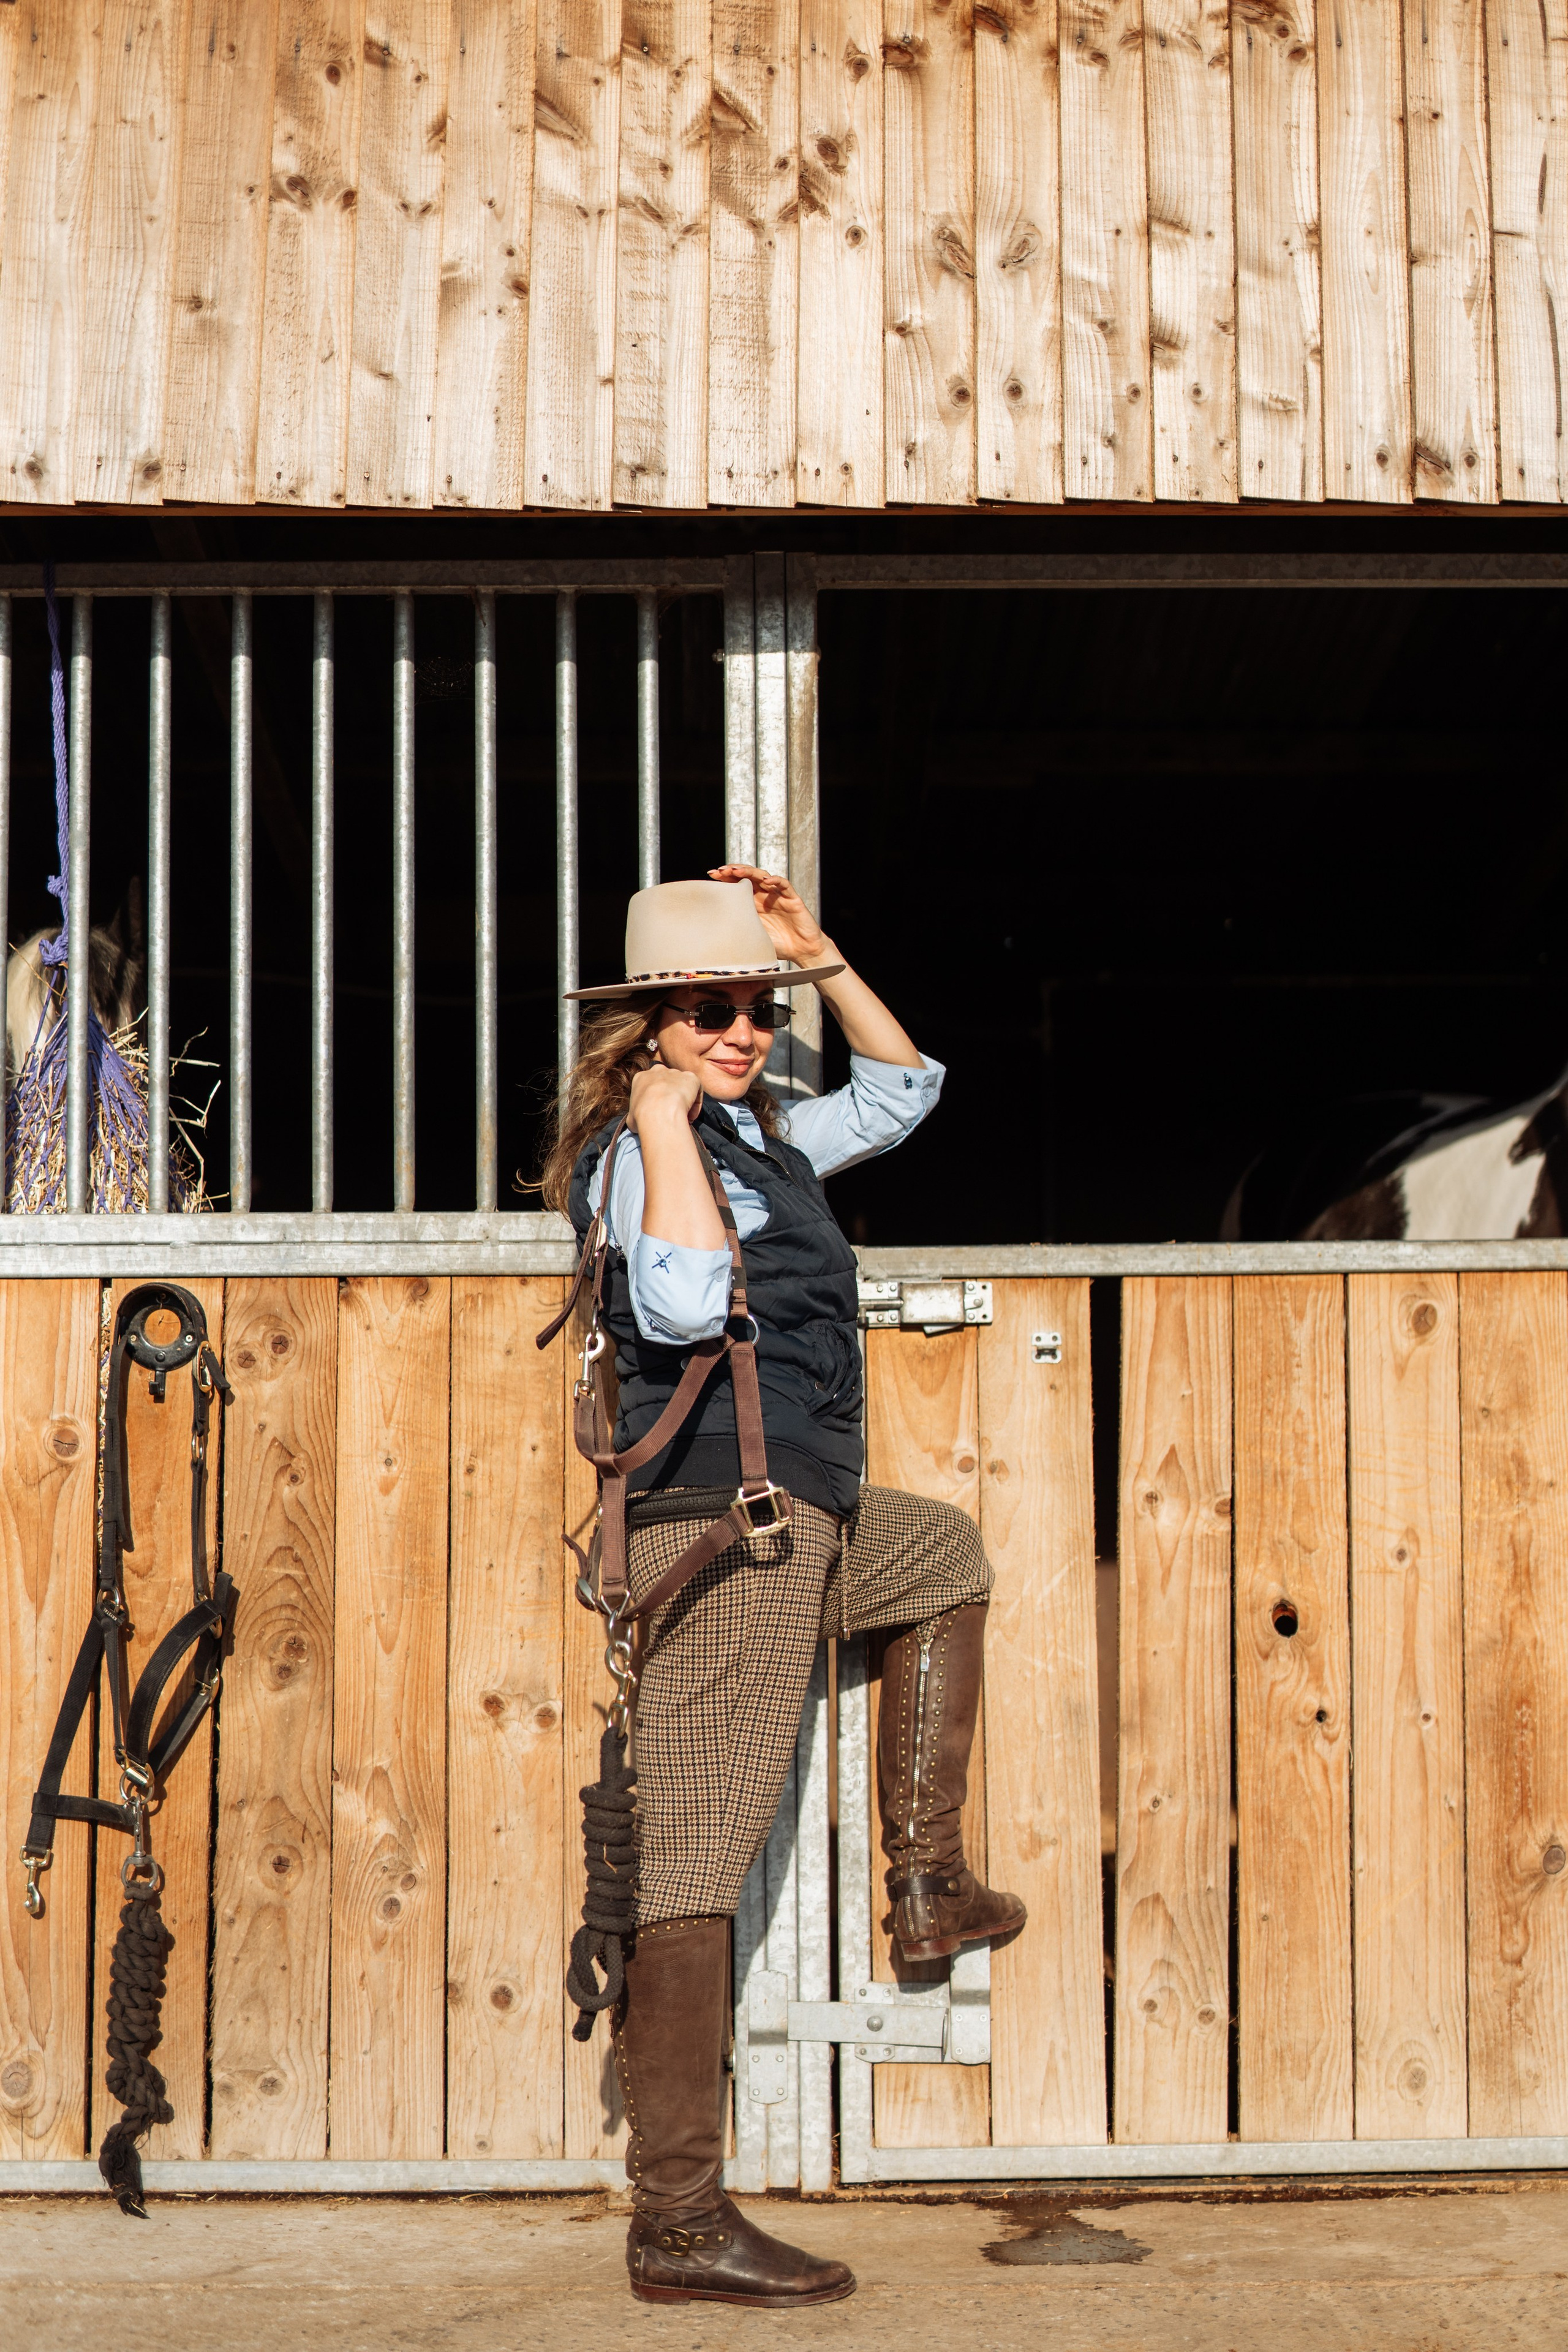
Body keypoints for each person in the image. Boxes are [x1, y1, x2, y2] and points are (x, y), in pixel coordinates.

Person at [541, 868, 1025, 2309]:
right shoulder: (640, 1155)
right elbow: (685, 1304)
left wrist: (822, 959)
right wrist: (652, 1115)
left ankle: (925, 1885)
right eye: (710, 1010)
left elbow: (905, 1090)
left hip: (805, 1511)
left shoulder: (763, 1135)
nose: (744, 1030)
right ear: (647, 1027)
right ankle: (677, 2219)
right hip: (723, 1530)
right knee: (694, 1859)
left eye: (757, 1008)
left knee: (937, 1552)